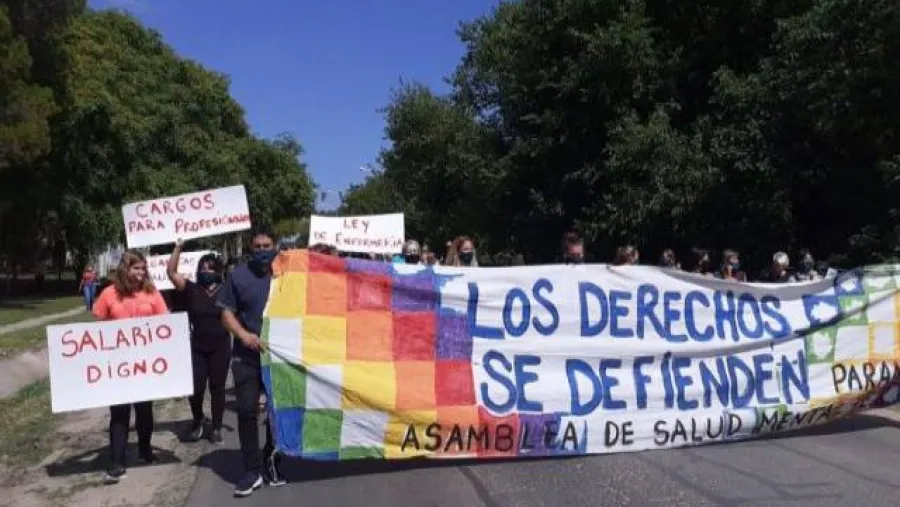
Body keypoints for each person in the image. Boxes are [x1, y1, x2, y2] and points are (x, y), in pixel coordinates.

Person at [216, 230, 285, 497]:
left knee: (278, 413)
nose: (262, 250)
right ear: (250, 247)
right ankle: (251, 470)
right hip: (246, 357)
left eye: (267, 245)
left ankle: (272, 460)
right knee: (246, 412)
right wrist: (244, 336)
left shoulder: (287, 273)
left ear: (275, 246)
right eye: (257, 246)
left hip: (280, 358)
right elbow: (225, 313)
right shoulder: (238, 276)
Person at [92, 250, 169, 484]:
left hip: (146, 363)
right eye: (136, 268)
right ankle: (117, 461)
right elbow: (97, 326)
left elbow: (164, 321)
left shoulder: (151, 292)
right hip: (118, 365)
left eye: (143, 268)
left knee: (145, 409)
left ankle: (145, 449)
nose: (140, 272)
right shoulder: (108, 294)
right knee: (119, 412)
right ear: (125, 269)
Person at [166, 240, 231, 445]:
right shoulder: (191, 289)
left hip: (220, 347)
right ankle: (198, 420)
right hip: (197, 347)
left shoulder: (227, 289)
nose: (206, 271)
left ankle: (217, 426)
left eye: (210, 268)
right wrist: (178, 247)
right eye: (203, 268)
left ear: (218, 270)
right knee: (195, 387)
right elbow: (171, 272)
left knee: (217, 387)